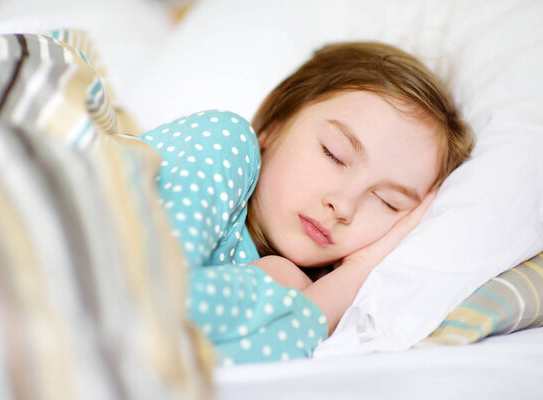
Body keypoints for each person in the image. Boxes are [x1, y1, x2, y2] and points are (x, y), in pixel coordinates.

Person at [139, 42, 473, 365]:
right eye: (334, 154)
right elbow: (148, 304)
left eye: (387, 202)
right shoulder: (220, 141)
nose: (343, 205)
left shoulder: (302, 293)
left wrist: (357, 271)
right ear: (275, 123)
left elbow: (187, 361)